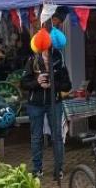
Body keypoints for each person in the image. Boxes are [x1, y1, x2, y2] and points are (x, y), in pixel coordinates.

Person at [21, 46, 72, 180]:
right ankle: (37, 169)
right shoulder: (33, 60)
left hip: (54, 103)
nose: (47, 51)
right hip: (35, 104)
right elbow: (24, 83)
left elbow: (68, 85)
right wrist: (37, 82)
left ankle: (58, 169)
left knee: (57, 136)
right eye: (45, 48)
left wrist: (53, 84)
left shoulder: (59, 60)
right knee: (36, 137)